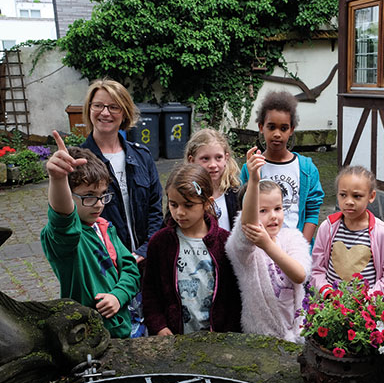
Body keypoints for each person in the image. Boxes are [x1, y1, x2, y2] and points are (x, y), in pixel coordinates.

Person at [80, 78, 163, 337]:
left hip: (144, 263)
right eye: (98, 106)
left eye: (114, 107)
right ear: (89, 109)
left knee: (150, 328)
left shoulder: (142, 156)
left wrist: (144, 250)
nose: (105, 112)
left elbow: (155, 210)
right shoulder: (79, 159)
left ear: (124, 112)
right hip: (104, 267)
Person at [41, 132, 139, 338]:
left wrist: (118, 296)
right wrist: (58, 179)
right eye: (88, 196)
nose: (99, 204)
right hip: (86, 338)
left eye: (103, 195)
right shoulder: (64, 239)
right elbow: (63, 220)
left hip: (121, 331)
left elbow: (130, 269)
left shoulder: (105, 228)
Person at [141, 164, 241, 336]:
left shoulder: (225, 242)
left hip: (217, 341)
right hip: (173, 339)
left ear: (207, 203)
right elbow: (150, 291)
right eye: (173, 204)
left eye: (188, 205)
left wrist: (228, 334)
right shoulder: (159, 243)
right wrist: (159, 326)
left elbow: (234, 296)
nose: (180, 212)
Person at [227, 147, 312, 343]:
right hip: (261, 336)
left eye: (278, 208)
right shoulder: (243, 249)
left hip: (297, 334)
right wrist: (254, 180)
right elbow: (248, 225)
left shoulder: (292, 238)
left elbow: (300, 275)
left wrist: (268, 245)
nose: (273, 215)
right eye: (263, 210)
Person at [240, 91, 324, 243]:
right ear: (261, 127)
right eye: (271, 127)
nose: (277, 134)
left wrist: (300, 247)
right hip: (260, 249)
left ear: (291, 130)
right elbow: (242, 210)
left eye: (283, 128)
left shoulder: (306, 169)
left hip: (294, 249)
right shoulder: (252, 167)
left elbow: (312, 210)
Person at [311, 165, 384, 299]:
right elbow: (316, 269)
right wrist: (328, 293)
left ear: (371, 196)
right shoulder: (327, 228)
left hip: (366, 312)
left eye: (357, 196)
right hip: (331, 309)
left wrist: (366, 300)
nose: (349, 202)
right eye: (343, 195)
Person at [185, 128, 241, 232]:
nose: (213, 165)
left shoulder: (234, 193)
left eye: (218, 157)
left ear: (226, 158)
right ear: (191, 160)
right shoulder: (183, 194)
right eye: (205, 159)